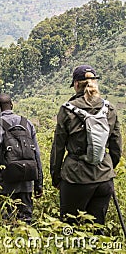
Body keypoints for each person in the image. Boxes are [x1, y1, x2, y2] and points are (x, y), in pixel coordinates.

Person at [50, 65, 122, 229]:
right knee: (97, 227)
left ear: (76, 84)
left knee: (70, 227)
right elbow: (116, 146)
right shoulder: (109, 109)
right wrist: (108, 168)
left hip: (76, 178)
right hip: (104, 178)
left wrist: (56, 177)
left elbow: (58, 148)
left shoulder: (67, 110)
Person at [0, 93, 43, 224]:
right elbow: (36, 155)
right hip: (27, 182)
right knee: (26, 223)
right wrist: (39, 184)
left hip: (4, 185)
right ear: (12, 105)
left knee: (6, 223)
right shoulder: (27, 124)